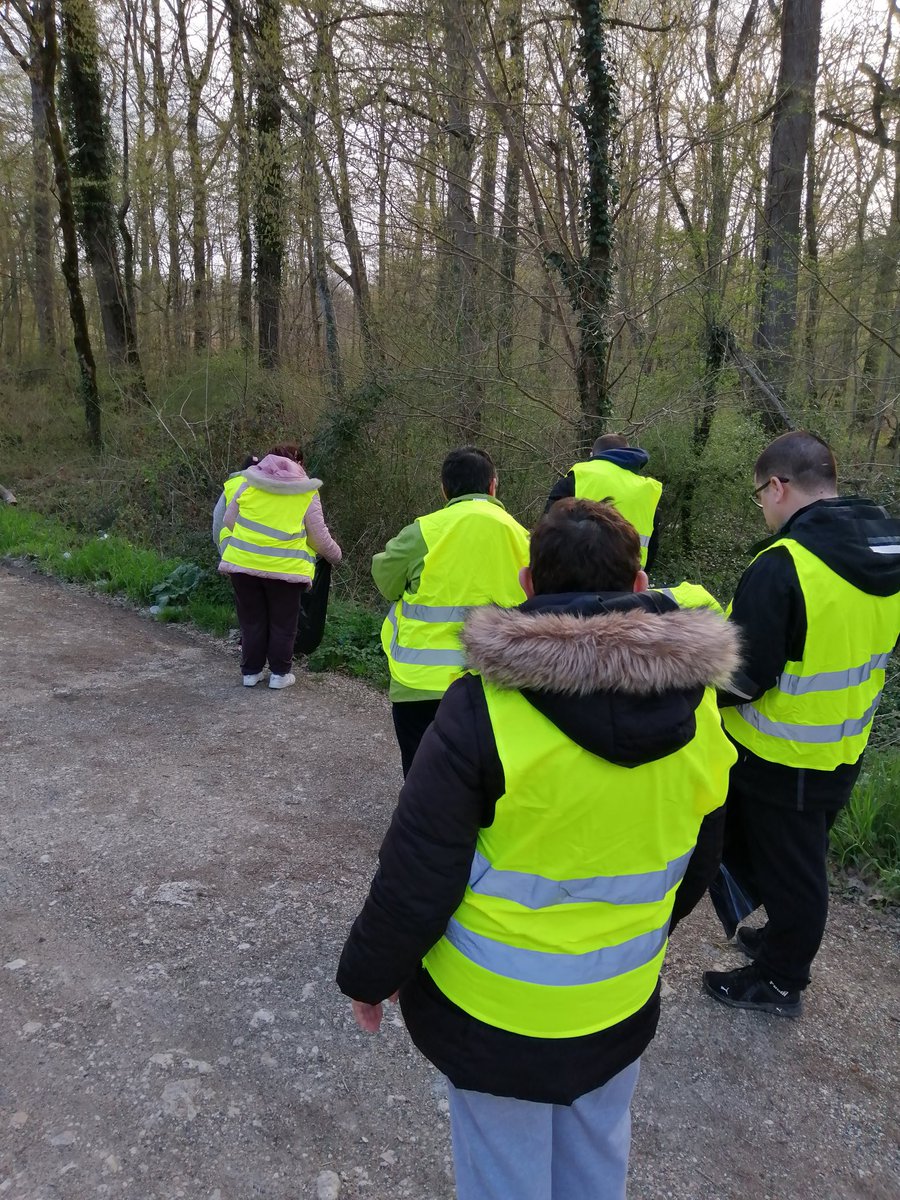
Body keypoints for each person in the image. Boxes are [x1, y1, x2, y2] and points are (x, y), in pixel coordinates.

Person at [338, 499, 739, 1200]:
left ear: (526, 584)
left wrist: (370, 976)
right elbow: (702, 856)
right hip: (618, 998)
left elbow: (417, 871)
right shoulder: (700, 708)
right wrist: (636, 933)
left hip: (494, 1017)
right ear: (641, 584)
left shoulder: (480, 708)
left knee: (504, 1178)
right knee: (595, 1163)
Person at [704, 431, 900, 1017]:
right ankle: (781, 940)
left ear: (779, 486)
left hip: (779, 750)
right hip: (844, 739)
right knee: (794, 855)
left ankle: (782, 979)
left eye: (760, 494)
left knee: (796, 872)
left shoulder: (784, 565)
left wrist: (691, 686)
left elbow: (744, 676)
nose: (762, 507)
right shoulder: (885, 547)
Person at [372, 446, 530, 776]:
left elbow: (386, 581)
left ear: (444, 488)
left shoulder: (424, 532)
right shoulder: (525, 538)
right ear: (493, 486)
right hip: (496, 681)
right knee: (488, 779)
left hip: (420, 683)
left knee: (421, 776)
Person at [218, 443, 342, 689]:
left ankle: (251, 673)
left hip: (243, 565)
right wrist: (336, 555)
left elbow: (229, 520)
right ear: (299, 465)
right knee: (283, 622)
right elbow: (318, 536)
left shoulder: (250, 482)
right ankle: (279, 674)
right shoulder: (306, 492)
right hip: (285, 571)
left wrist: (255, 541)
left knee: (252, 620)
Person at [546, 433, 662, 568]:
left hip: (576, 572)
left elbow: (548, 529)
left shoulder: (578, 477)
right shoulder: (647, 489)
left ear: (592, 455)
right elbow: (653, 544)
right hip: (629, 576)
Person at [212, 453, 258, 554]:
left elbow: (218, 518)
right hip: (257, 544)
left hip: (229, 541)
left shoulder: (232, 485)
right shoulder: (265, 486)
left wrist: (218, 543)